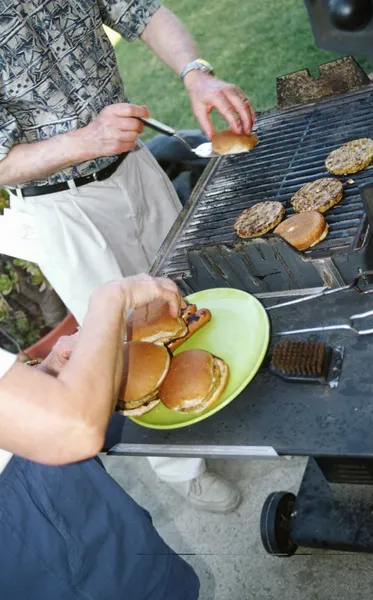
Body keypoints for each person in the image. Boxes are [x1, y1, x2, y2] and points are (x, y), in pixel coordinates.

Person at [0, 1, 255, 512]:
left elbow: (141, 11)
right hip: (60, 206)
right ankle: (183, 470)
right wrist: (85, 141)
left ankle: (213, 389)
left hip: (134, 162)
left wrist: (194, 72)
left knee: (186, 287)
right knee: (118, 343)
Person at [0, 273, 200, 599]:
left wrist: (44, 376)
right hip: (25, 515)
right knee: (136, 586)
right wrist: (110, 298)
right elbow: (74, 430)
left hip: (32, 473)